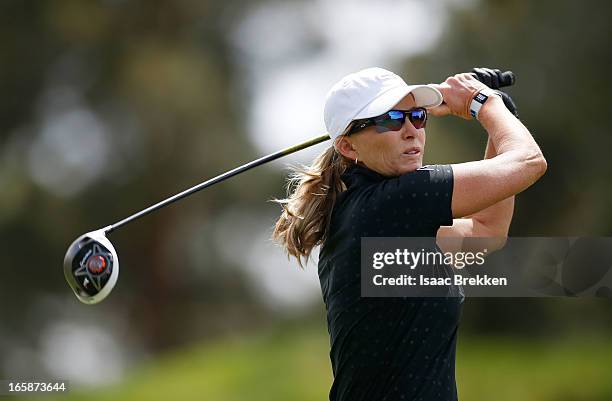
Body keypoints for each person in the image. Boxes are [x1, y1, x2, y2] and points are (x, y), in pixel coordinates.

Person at [272, 67, 546, 401]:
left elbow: (487, 230)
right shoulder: (395, 202)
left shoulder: (370, 213)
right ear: (347, 145)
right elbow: (529, 162)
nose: (410, 131)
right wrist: (482, 104)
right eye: (390, 120)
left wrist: (499, 117)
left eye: (417, 116)